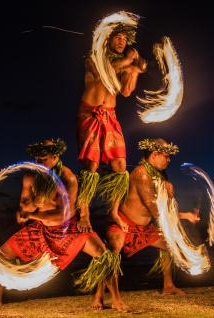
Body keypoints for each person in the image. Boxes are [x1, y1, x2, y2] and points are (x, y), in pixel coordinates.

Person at [0, 138, 128, 311]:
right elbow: (25, 203)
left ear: (55, 156)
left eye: (43, 159)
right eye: (37, 159)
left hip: (70, 228)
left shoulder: (68, 178)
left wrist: (32, 213)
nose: (39, 162)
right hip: (42, 228)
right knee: (2, 254)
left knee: (104, 256)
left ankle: (116, 299)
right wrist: (26, 208)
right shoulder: (31, 176)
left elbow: (63, 215)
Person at [101, 138, 200, 306]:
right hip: (124, 224)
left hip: (144, 228)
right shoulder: (141, 173)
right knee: (112, 253)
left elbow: (165, 205)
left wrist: (169, 191)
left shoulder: (160, 175)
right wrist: (185, 216)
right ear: (154, 155)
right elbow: (154, 207)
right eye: (166, 156)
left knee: (168, 246)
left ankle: (168, 285)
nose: (169, 160)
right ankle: (105, 295)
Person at [76, 23, 147, 234]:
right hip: (90, 114)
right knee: (91, 165)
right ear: (108, 39)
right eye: (118, 37)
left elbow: (125, 91)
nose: (122, 41)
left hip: (111, 117)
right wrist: (129, 61)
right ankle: (84, 213)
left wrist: (135, 71)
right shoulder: (94, 58)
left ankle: (113, 211)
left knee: (120, 166)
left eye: (125, 39)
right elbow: (105, 73)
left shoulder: (122, 64)